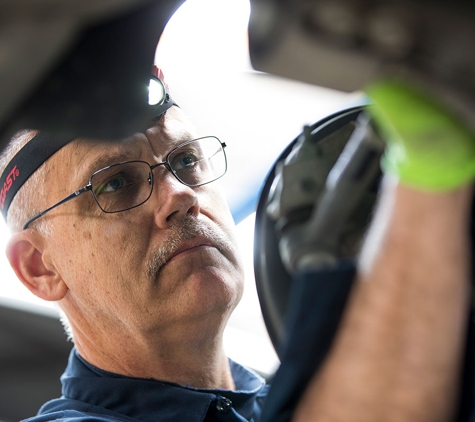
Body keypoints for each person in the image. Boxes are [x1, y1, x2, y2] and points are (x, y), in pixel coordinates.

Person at [1, 66, 474, 422]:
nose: (180, 196)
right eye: (116, 184)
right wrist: (428, 183)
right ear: (40, 267)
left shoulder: (287, 399)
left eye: (186, 160)